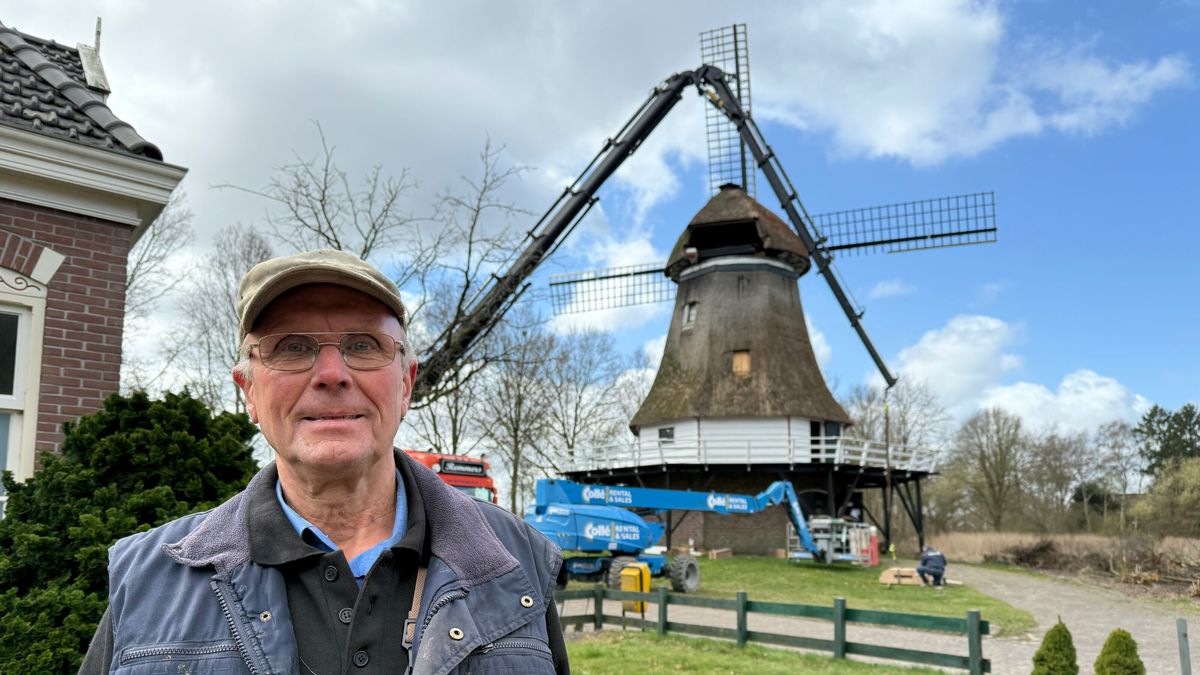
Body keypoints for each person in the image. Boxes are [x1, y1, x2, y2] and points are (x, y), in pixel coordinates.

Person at [81, 249, 569, 674]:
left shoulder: (519, 562)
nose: (332, 374)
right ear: (248, 392)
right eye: (292, 347)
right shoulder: (147, 577)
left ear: (405, 384)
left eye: (363, 345)